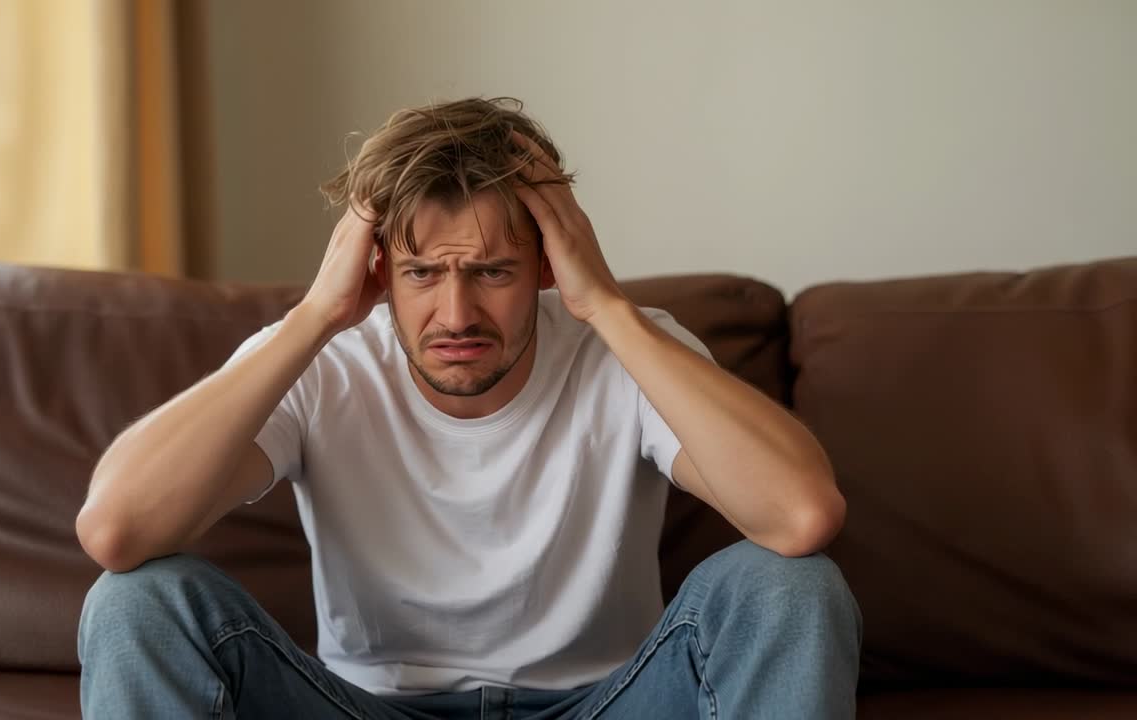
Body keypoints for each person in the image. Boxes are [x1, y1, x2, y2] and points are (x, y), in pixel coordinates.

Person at [76, 96, 862, 719]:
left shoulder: (627, 348)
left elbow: (800, 518)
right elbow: (118, 531)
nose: (455, 315)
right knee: (136, 601)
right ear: (379, 268)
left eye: (490, 272)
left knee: (792, 587)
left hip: (605, 706)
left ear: (549, 267)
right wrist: (316, 314)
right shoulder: (324, 361)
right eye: (422, 273)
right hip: (371, 710)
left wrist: (611, 308)